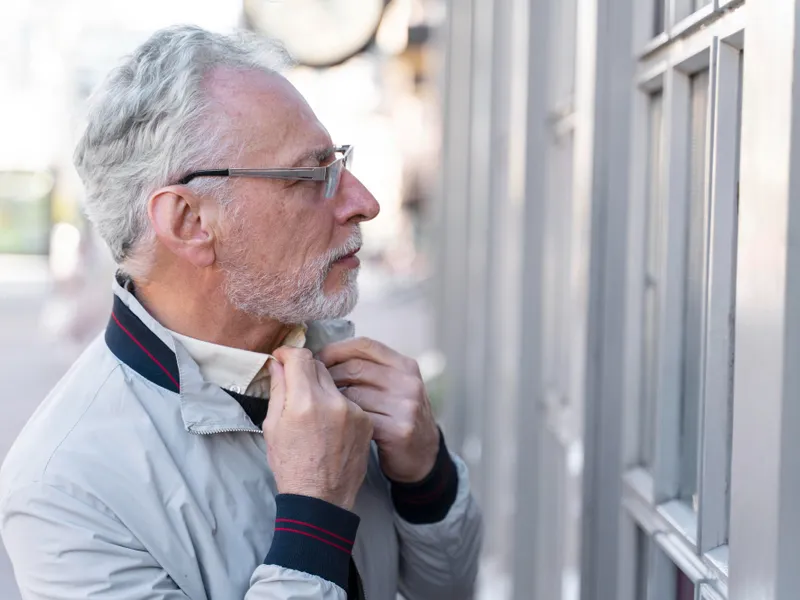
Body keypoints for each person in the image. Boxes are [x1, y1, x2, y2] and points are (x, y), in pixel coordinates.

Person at [0, 26, 482, 600]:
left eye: (340, 162)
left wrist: (427, 476)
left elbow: (450, 587)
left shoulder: (330, 363)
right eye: (313, 174)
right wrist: (314, 516)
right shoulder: (66, 487)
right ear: (190, 222)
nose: (364, 203)